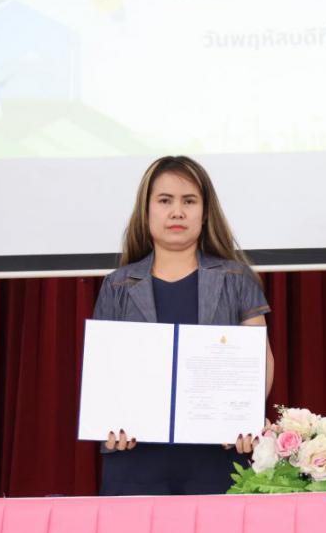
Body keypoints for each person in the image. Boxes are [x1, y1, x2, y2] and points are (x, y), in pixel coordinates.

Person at [92, 155, 274, 496]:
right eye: (165, 201)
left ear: (204, 213)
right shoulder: (117, 285)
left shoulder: (236, 278)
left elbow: (260, 358)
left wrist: (244, 414)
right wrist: (108, 420)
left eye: (189, 201)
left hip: (219, 456)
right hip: (135, 457)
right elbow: (104, 368)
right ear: (146, 210)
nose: (177, 212)